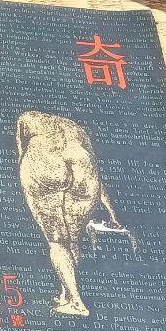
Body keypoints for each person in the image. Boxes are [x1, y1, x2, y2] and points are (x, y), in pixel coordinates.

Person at [16, 111, 128, 316]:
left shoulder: (27, 118)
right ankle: (65, 294)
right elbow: (96, 174)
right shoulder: (75, 128)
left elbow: (21, 152)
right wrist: (112, 213)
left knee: (57, 242)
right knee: (72, 239)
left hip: (45, 164)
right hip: (82, 166)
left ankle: (77, 303)